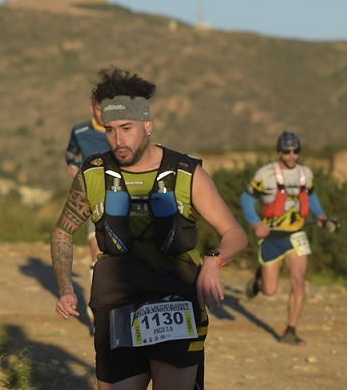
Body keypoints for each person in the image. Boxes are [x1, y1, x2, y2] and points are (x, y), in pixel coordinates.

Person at [51, 67, 247, 390]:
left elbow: (235, 234)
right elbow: (62, 231)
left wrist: (214, 260)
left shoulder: (186, 173)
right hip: (115, 304)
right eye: (110, 130)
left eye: (127, 128)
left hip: (175, 299)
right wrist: (65, 288)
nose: (118, 140)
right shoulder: (93, 175)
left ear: (148, 126)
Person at [241, 131, 330, 346]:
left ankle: (290, 330)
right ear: (279, 152)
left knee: (298, 281)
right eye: (287, 151)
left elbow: (311, 196)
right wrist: (256, 223)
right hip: (272, 238)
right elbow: (246, 198)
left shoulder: (305, 174)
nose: (291, 155)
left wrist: (321, 216)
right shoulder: (265, 174)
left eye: (295, 151)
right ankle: (259, 281)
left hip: (297, 235)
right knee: (270, 291)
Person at [65, 97, 110, 270]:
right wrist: (73, 164)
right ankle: (97, 296)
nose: (103, 114)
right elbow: (71, 152)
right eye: (100, 109)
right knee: (97, 250)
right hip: (91, 195)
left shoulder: (119, 131)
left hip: (119, 193)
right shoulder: (80, 131)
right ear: (91, 108)